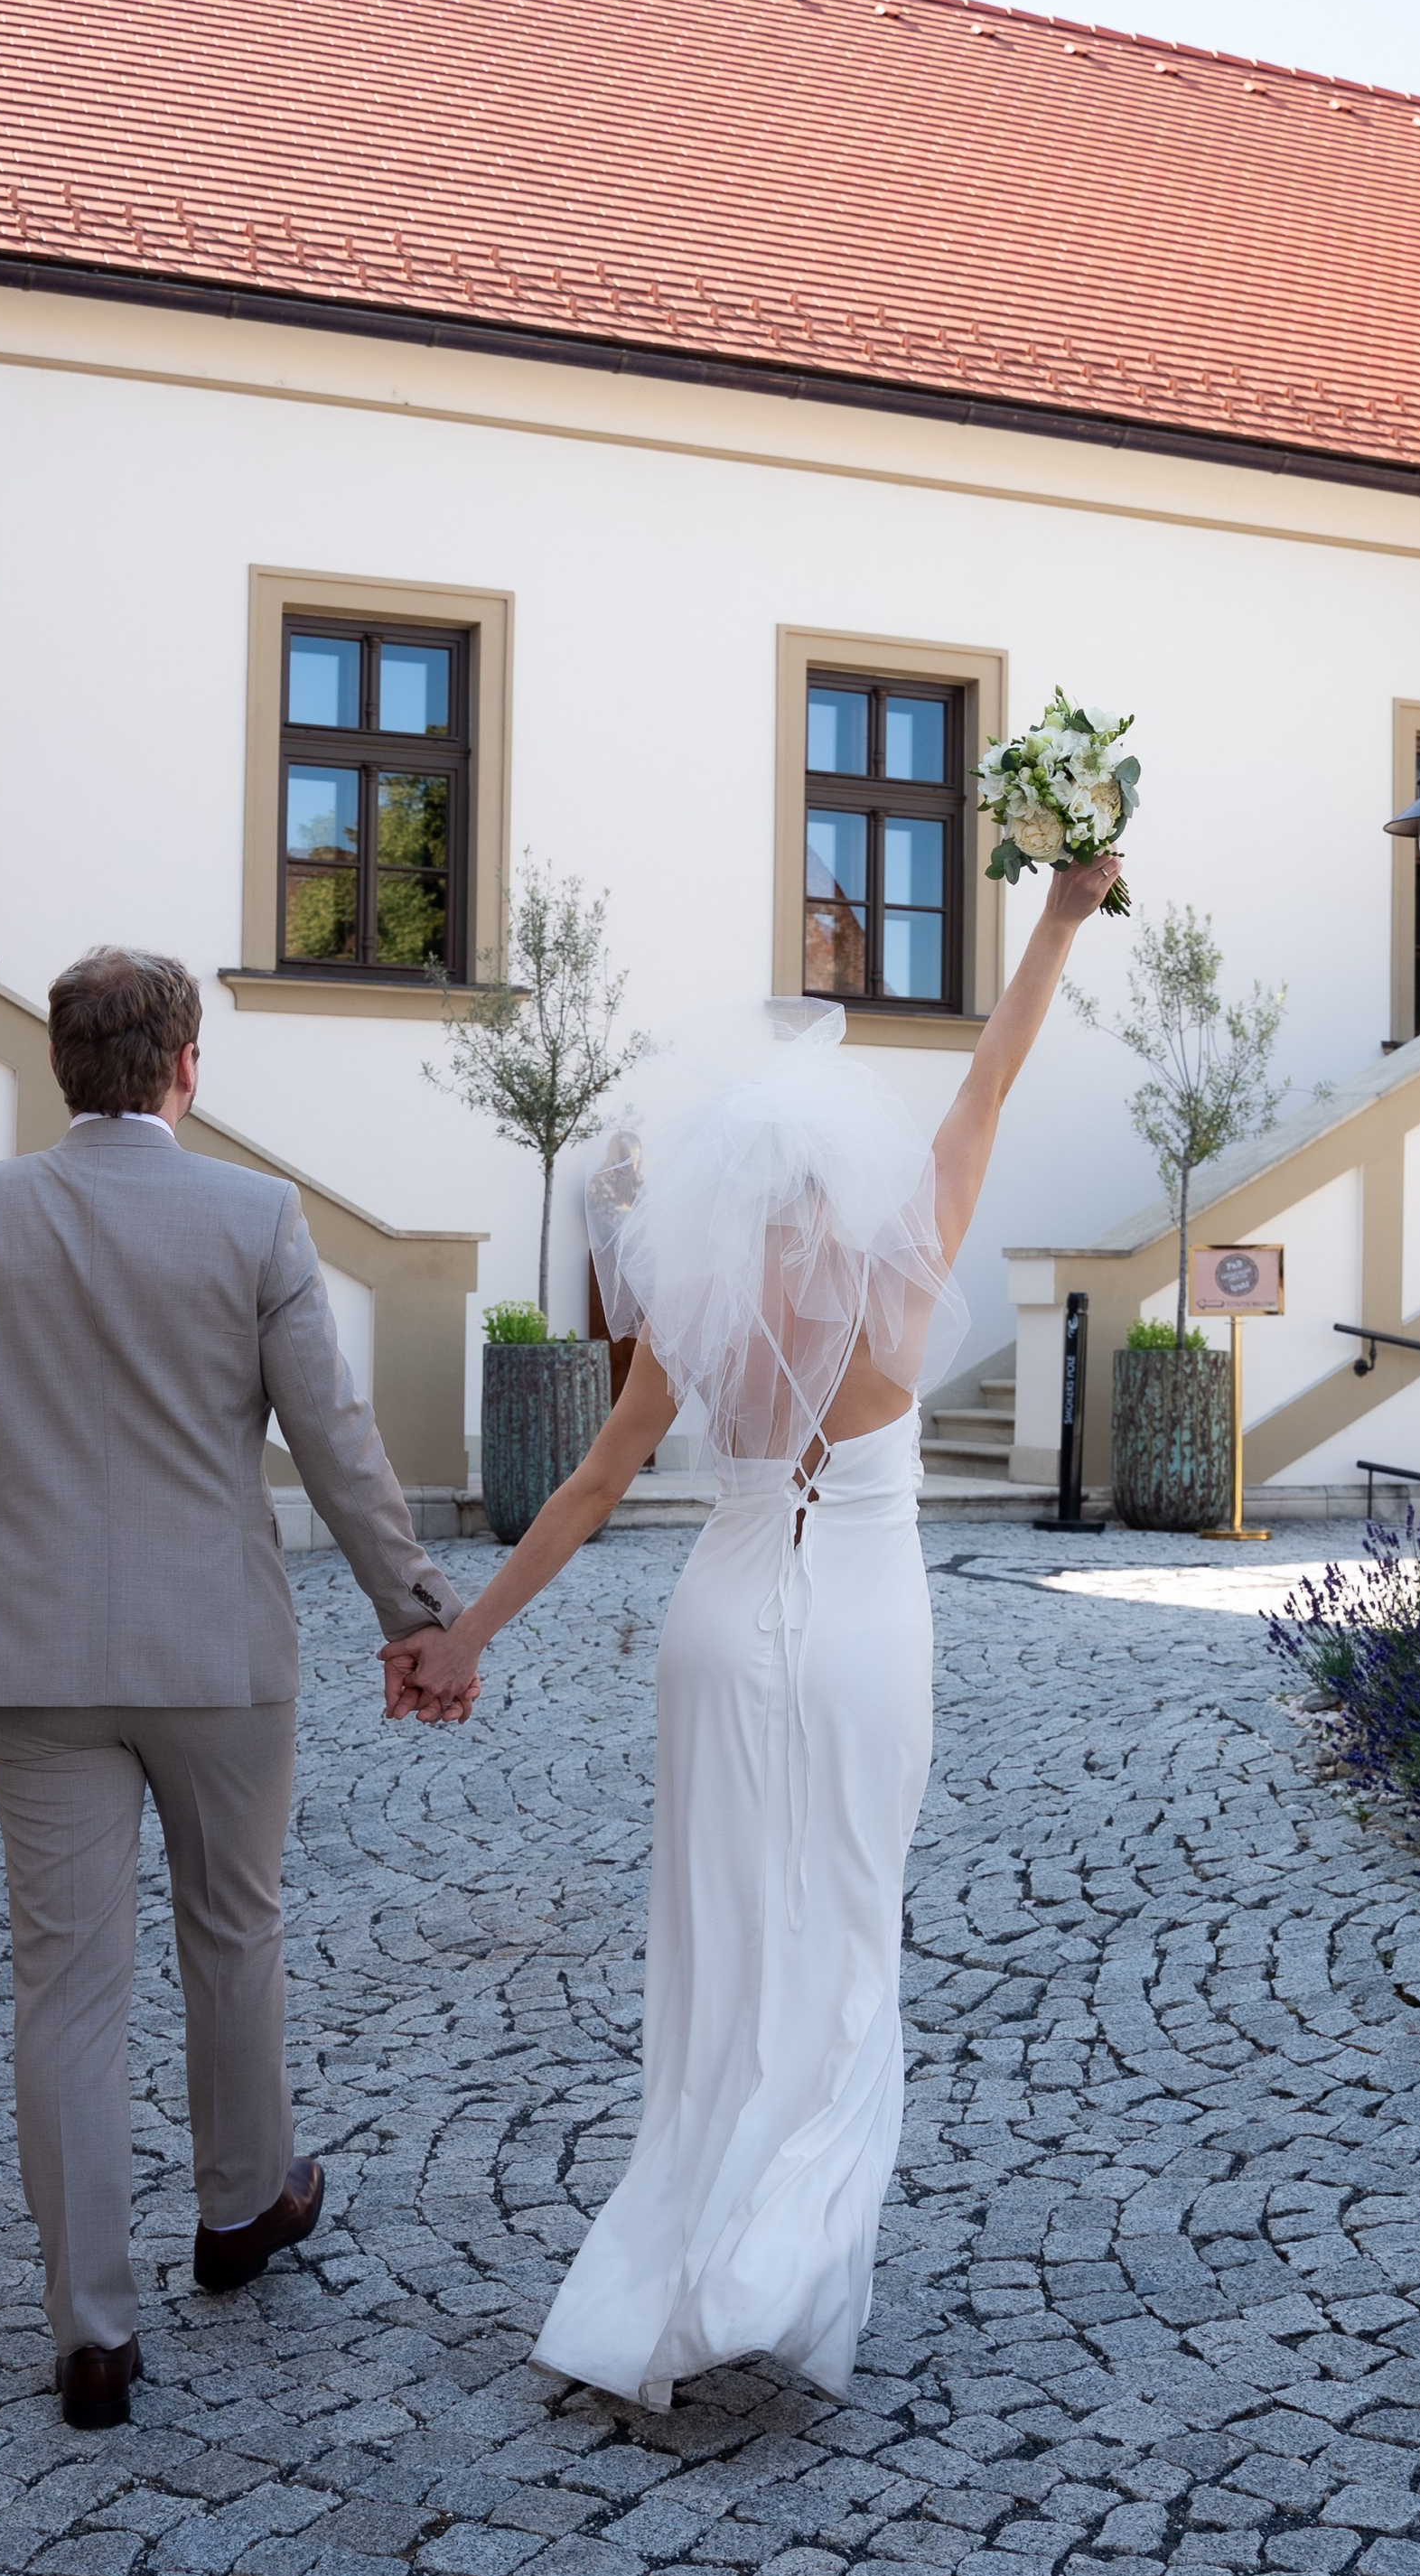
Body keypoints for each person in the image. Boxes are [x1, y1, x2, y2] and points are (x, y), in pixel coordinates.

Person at [380, 859, 1122, 2409]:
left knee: (716, 1953)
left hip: (716, 1625)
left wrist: (465, 1637)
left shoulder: (693, 1305)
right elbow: (996, 1073)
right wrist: (1058, 915)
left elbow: (592, 1482)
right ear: (840, 1175)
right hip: (861, 1625)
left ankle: (674, 2258)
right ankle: (770, 2265)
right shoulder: (902, 1257)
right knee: (843, 1934)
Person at [0, 947, 462, 2429]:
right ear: (187, 1066)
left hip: (38, 1657)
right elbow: (334, 1436)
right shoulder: (254, 1213)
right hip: (218, 1653)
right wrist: (412, 1606)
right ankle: (242, 2204)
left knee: (63, 1984)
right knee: (236, 1924)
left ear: (61, 1069)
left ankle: (90, 2331)